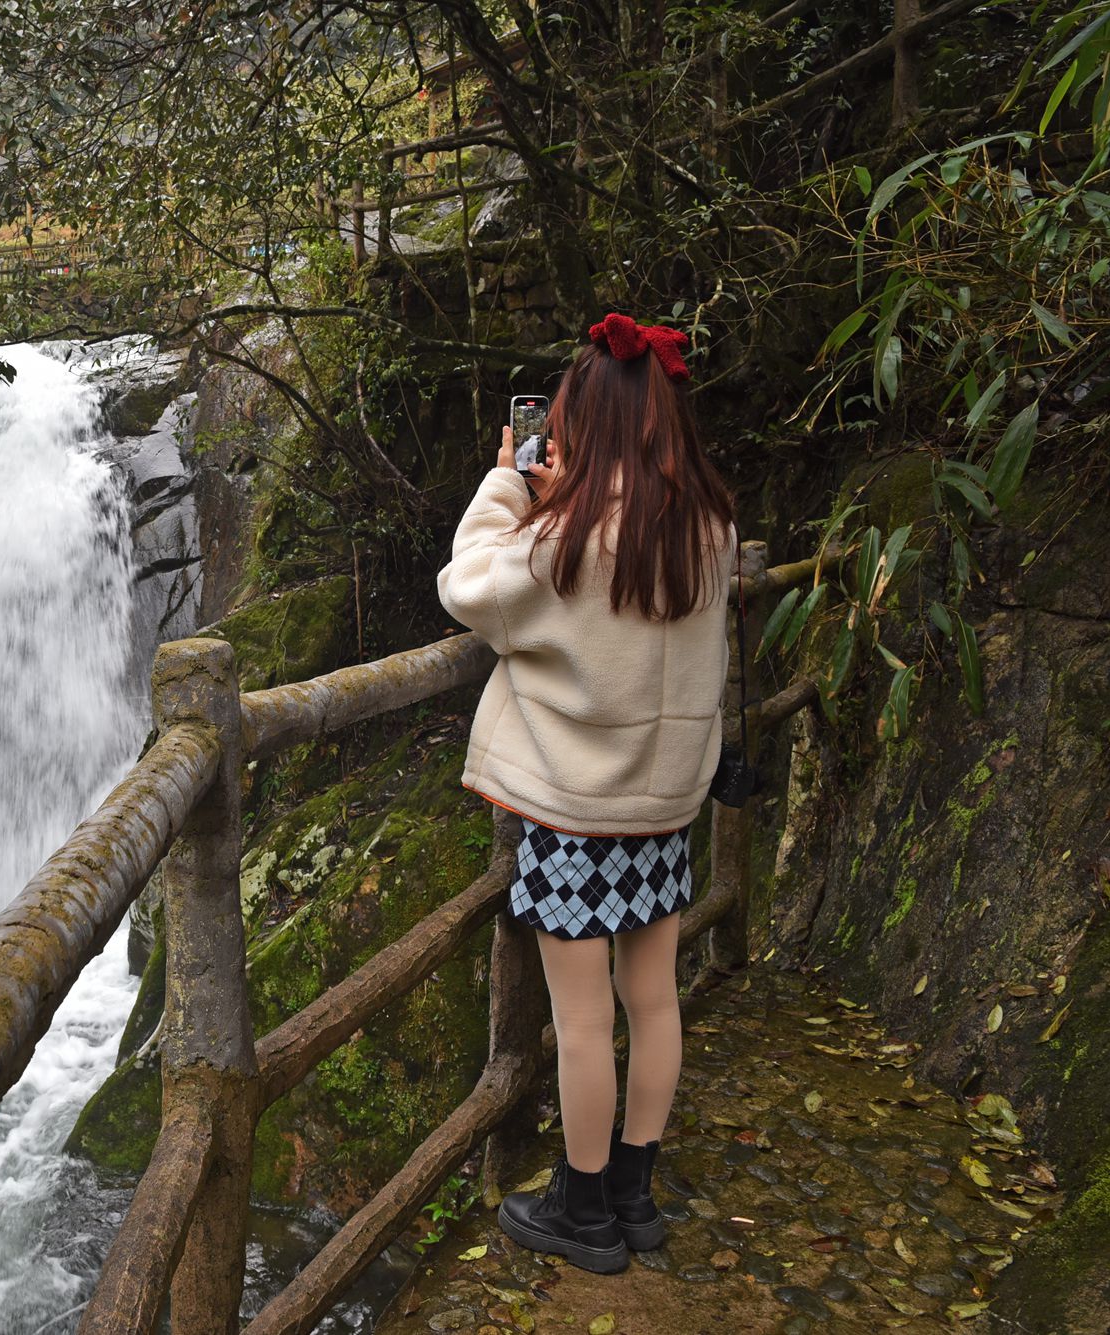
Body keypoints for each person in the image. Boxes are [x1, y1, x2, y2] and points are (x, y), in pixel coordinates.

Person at [435, 312, 737, 1274]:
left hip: (574, 821)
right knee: (653, 999)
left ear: (587, 430)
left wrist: (508, 483)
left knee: (582, 1020)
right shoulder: (710, 526)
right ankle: (635, 1194)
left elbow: (469, 584)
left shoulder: (566, 539)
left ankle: (584, 1208)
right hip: (664, 811)